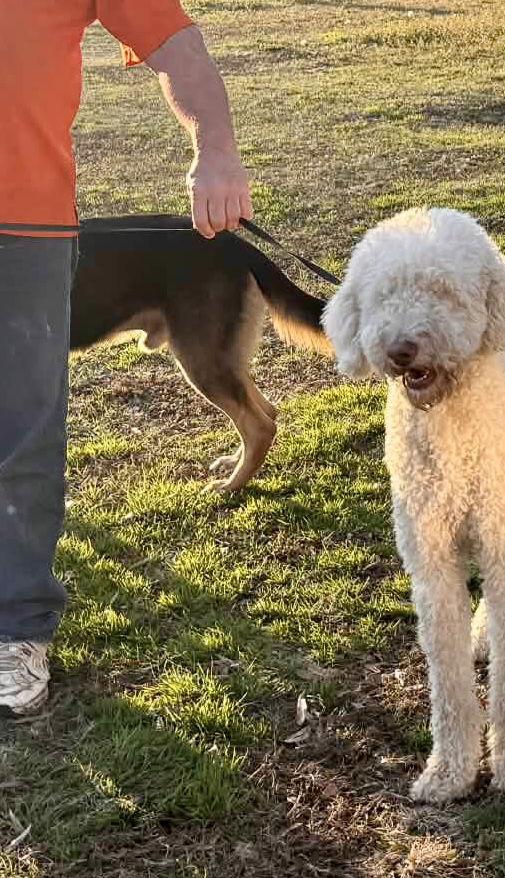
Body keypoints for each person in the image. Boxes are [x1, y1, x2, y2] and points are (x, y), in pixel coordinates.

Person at [0, 1, 253, 716]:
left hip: (24, 229)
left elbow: (178, 46)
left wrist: (216, 149)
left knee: (22, 431)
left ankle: (15, 629)